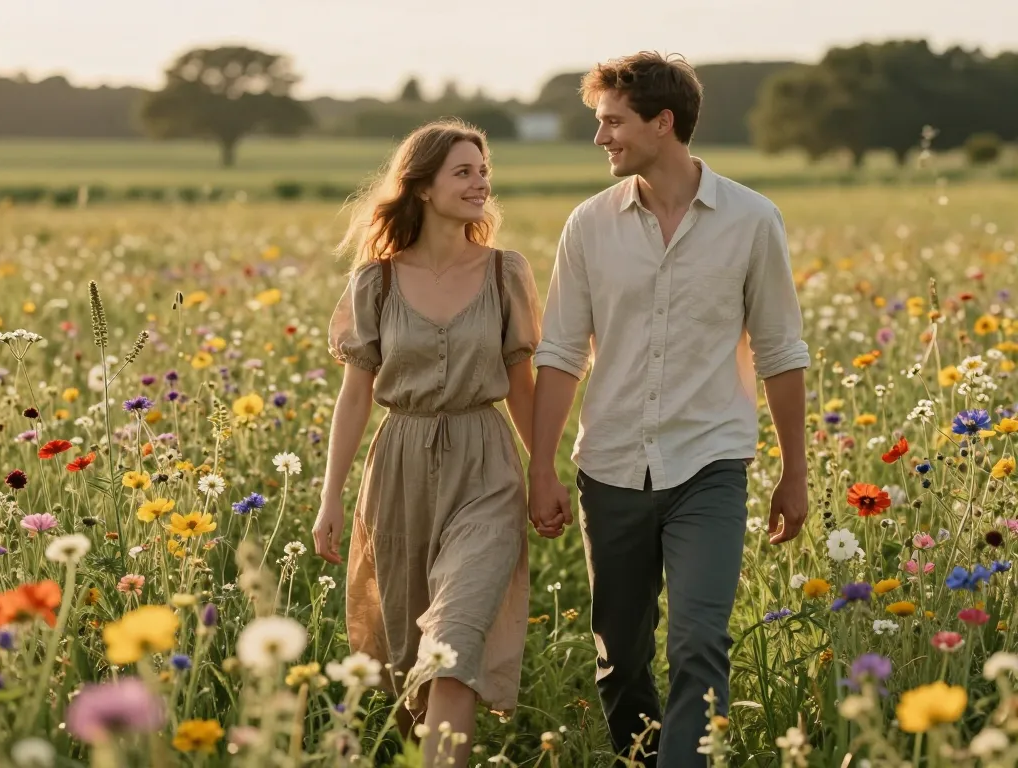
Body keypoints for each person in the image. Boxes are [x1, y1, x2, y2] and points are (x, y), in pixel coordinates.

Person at [527, 52, 810, 767]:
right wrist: (541, 468)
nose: (601, 138)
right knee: (620, 657)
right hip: (610, 467)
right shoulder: (588, 225)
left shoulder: (752, 220)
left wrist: (794, 472)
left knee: (698, 641)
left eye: (613, 122)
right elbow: (560, 353)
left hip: (709, 465)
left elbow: (780, 351)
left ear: (663, 123)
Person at [313, 119, 541, 766]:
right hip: (399, 469)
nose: (480, 183)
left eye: (483, 171)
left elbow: (522, 385)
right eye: (462, 172)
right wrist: (331, 497)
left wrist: (546, 474)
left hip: (486, 465)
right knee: (409, 657)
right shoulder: (376, 282)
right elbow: (355, 396)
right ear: (421, 187)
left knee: (455, 641)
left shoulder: (505, 272)